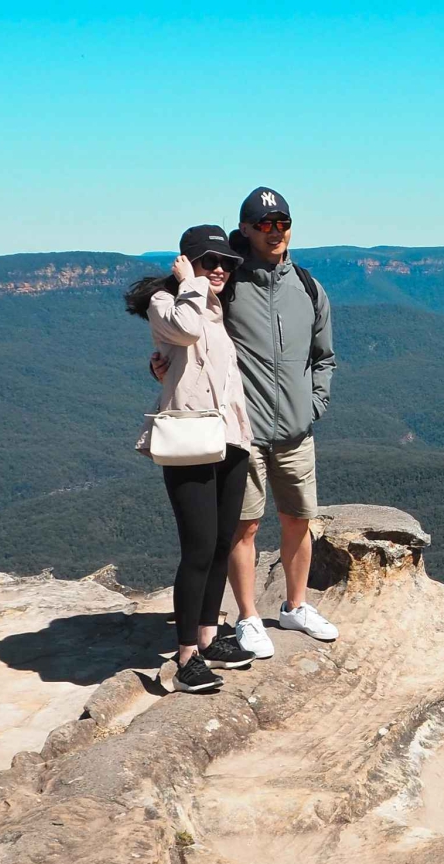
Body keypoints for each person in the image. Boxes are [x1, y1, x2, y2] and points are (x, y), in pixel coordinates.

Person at [152, 187, 338, 658]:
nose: (275, 232)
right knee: (244, 528)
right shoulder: (230, 282)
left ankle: (296, 606)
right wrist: (164, 365)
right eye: (264, 224)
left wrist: (314, 404)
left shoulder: (309, 288)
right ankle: (249, 617)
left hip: (296, 430)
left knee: (299, 520)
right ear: (247, 229)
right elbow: (189, 333)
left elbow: (324, 356)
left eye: (282, 223)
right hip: (242, 432)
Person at [128, 226, 260, 693]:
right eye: (208, 261)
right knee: (199, 548)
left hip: (230, 438)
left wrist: (162, 370)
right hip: (188, 439)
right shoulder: (166, 302)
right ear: (186, 262)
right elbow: (183, 332)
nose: (219, 269)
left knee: (222, 542)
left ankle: (208, 637)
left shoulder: (214, 307)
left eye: (226, 262)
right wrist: (190, 283)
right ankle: (185, 659)